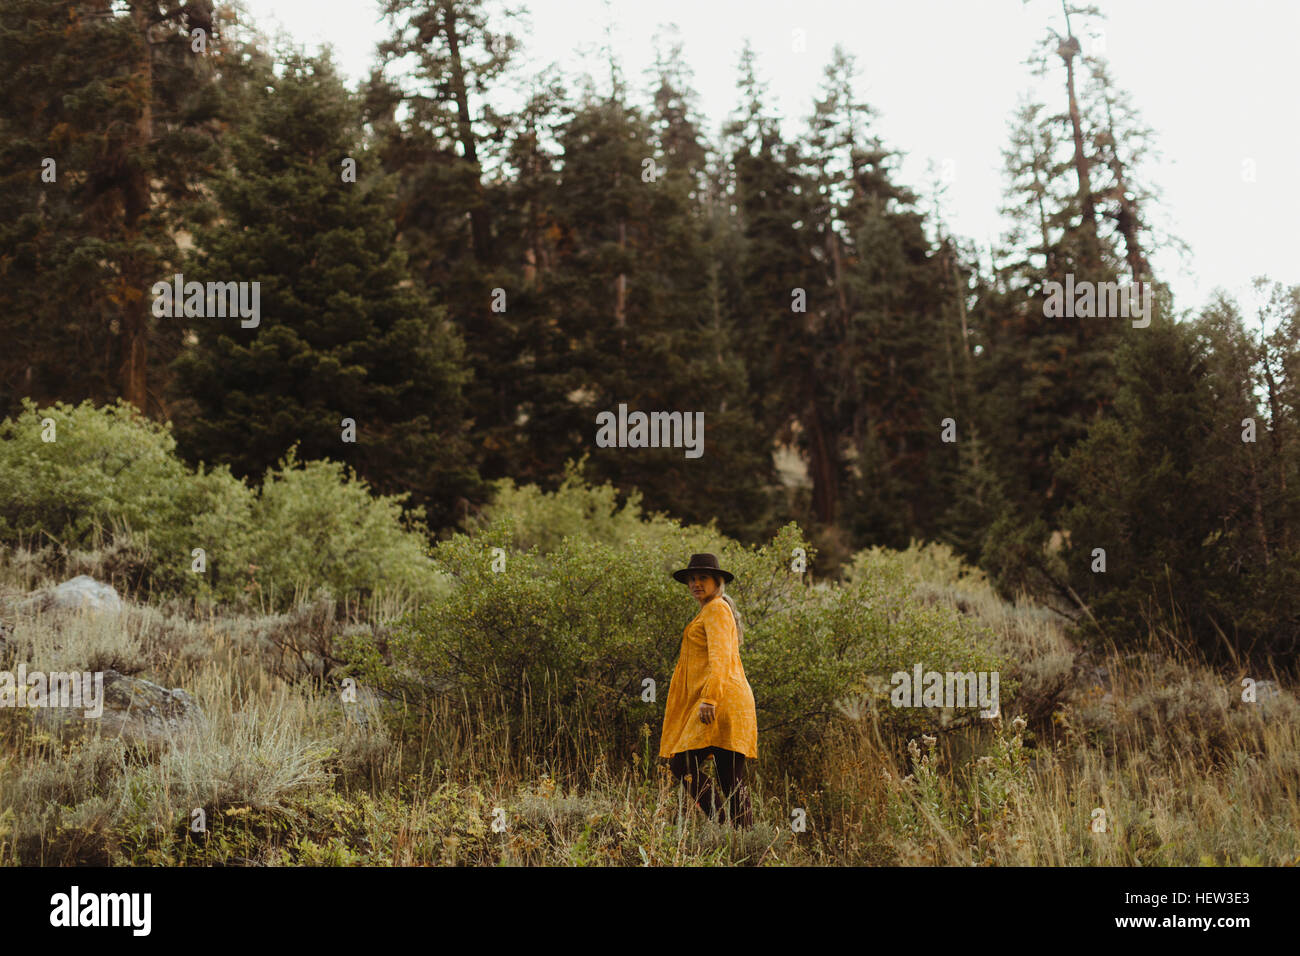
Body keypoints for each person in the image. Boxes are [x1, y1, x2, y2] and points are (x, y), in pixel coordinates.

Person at [659, 553, 757, 829]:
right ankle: (740, 836)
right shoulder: (710, 609)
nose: (695, 583)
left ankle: (727, 827)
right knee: (729, 778)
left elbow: (721, 658)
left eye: (702, 578)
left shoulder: (716, 609)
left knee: (682, 766)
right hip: (723, 700)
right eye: (692, 579)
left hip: (721, 701)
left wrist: (709, 699)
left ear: (718, 581)